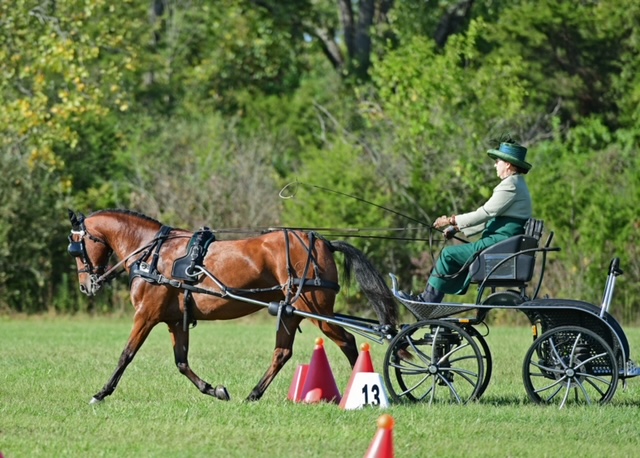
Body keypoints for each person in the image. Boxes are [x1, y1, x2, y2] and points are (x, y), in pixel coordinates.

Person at [398, 141, 533, 303]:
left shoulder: (510, 185)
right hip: (502, 242)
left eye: (498, 162)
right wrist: (456, 228)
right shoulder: (516, 184)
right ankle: (429, 300)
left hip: (499, 243)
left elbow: (484, 213)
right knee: (451, 255)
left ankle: (427, 300)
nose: (495, 165)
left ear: (509, 165)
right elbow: (490, 218)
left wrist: (450, 219)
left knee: (448, 254)